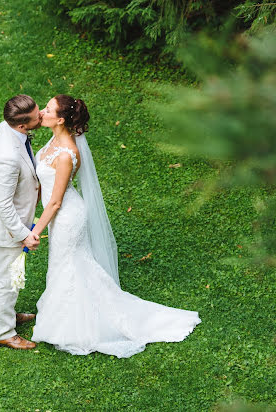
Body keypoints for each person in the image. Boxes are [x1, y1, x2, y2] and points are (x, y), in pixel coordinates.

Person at [30, 94, 201, 358]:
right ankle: (62, 314)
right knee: (65, 264)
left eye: (48, 109)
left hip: (66, 216)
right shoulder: (55, 139)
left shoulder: (67, 154)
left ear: (61, 120)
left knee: (70, 265)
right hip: (59, 215)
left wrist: (34, 232)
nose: (42, 112)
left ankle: (75, 324)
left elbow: (55, 202)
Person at [0, 95, 43, 350]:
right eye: (38, 117)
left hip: (18, 221)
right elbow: (3, 204)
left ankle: (8, 315)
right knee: (6, 279)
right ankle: (4, 332)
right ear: (21, 126)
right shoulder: (8, 157)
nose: (42, 117)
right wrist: (23, 234)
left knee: (12, 273)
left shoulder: (7, 126)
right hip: (10, 228)